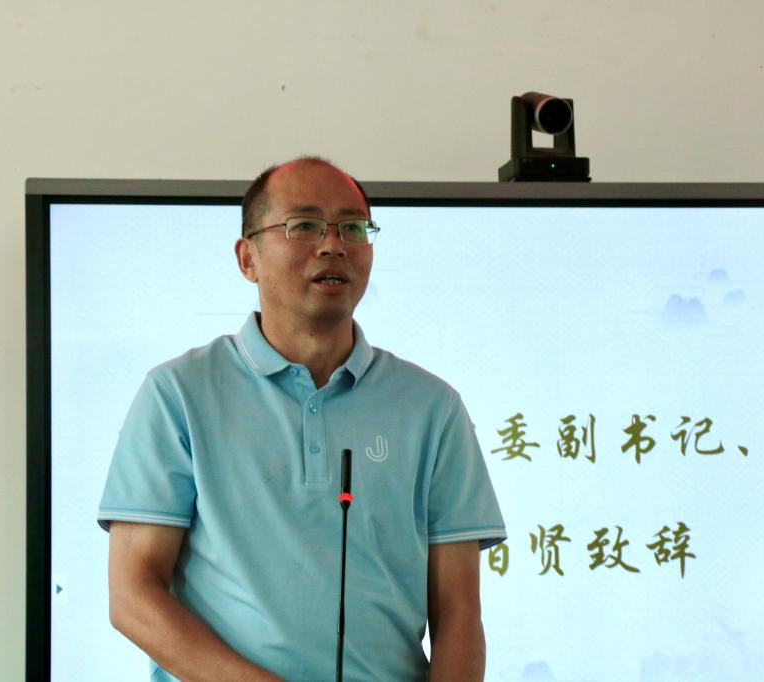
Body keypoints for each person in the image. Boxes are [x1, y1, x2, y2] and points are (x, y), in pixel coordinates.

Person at [98, 156, 506, 681]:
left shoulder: (432, 407)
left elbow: (459, 613)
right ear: (248, 258)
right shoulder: (178, 393)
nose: (333, 245)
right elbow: (133, 596)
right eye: (305, 225)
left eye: (353, 228)